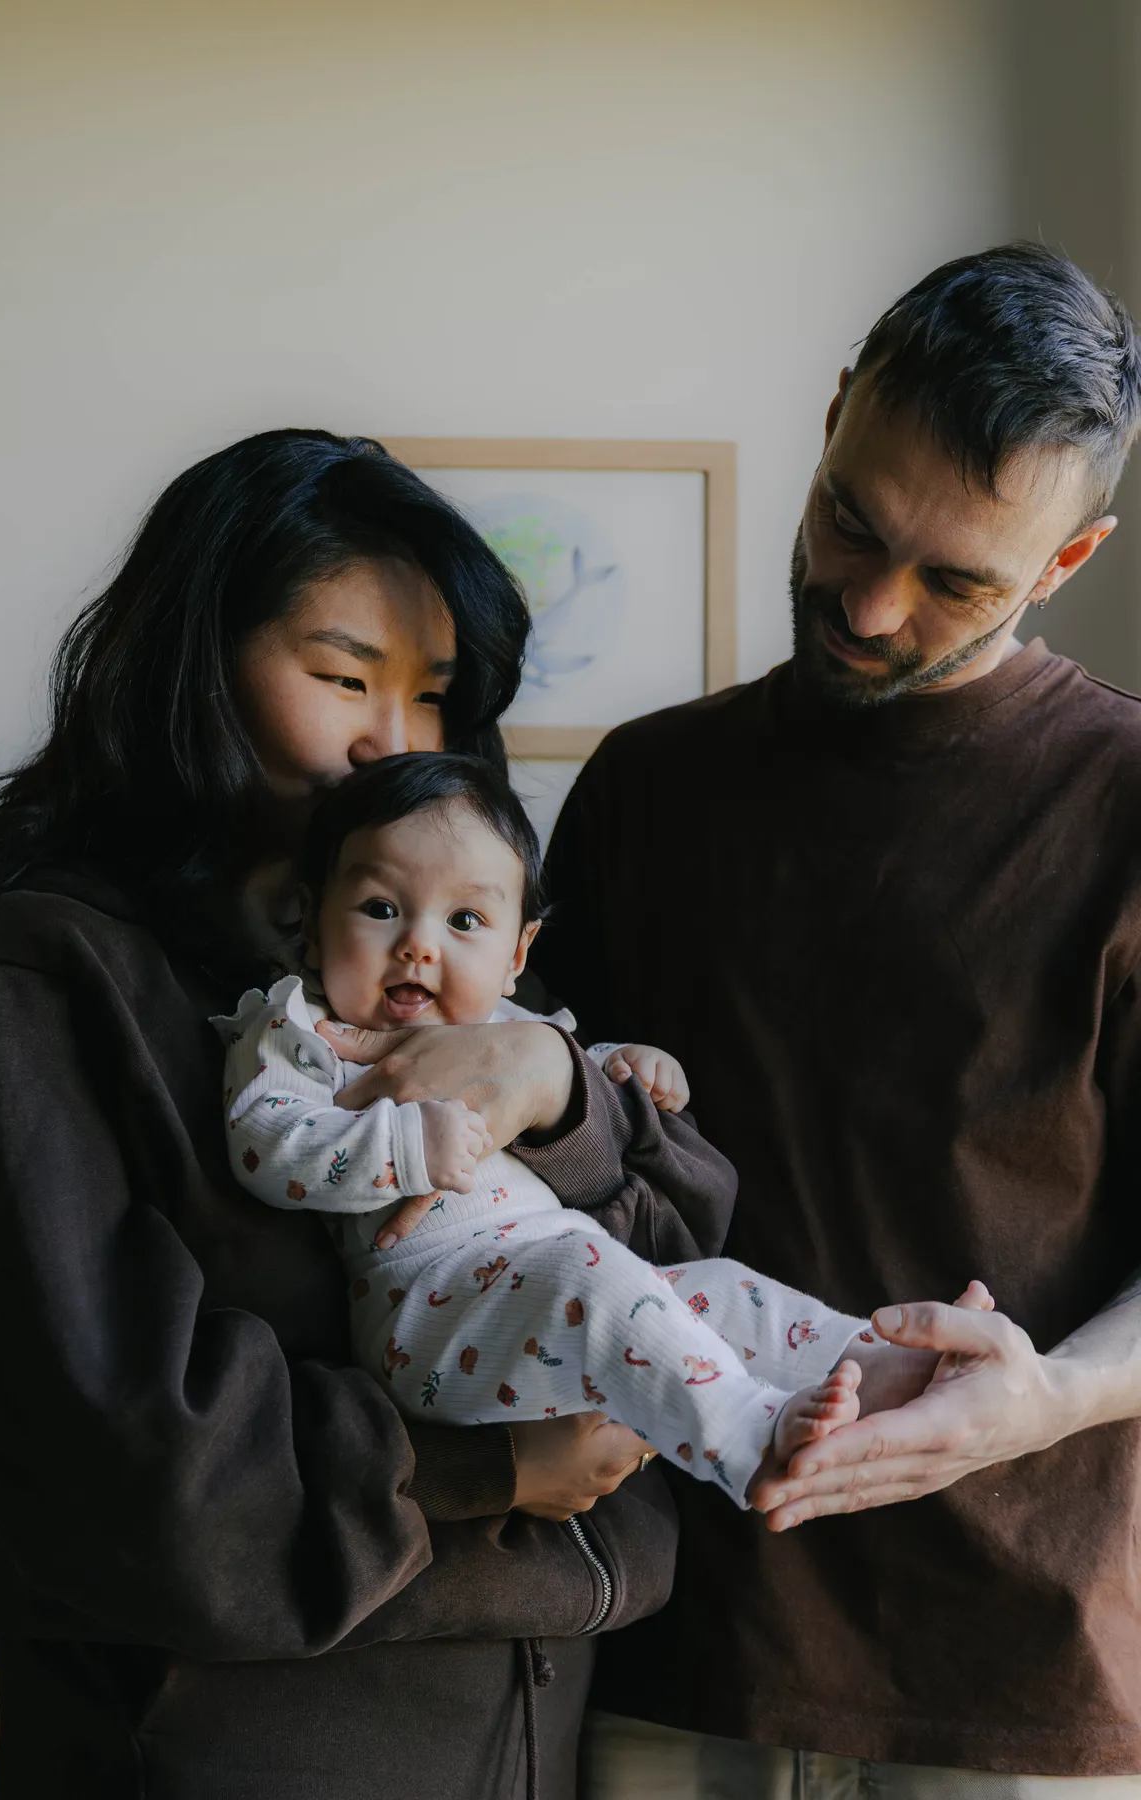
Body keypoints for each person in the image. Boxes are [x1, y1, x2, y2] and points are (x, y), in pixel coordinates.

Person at [0, 429, 744, 1800]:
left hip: (523, 1745)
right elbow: (130, 1453)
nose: (398, 740)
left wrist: (554, 1090)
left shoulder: (444, 953)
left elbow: (674, 1259)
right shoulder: (55, 973)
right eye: (342, 676)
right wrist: (489, 1469)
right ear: (195, 667)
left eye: (434, 694)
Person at [534, 243, 1141, 1796]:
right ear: (829, 424)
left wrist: (1050, 1400)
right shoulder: (646, 790)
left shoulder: (1125, 808)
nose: (868, 604)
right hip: (667, 1641)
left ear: (1067, 564)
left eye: (957, 581)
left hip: (1018, 1679)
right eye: (852, 521)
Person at [218, 750, 898, 1492]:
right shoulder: (301, 1029)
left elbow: (564, 1074)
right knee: (591, 1274)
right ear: (314, 925)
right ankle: (749, 1437)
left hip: (555, 1276)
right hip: (431, 1317)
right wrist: (405, 1147)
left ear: (518, 953)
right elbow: (265, 1144)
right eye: (380, 908)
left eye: (465, 920)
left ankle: (875, 1363)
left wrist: (618, 1064)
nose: (419, 943)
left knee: (719, 1290)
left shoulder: (506, 1027)